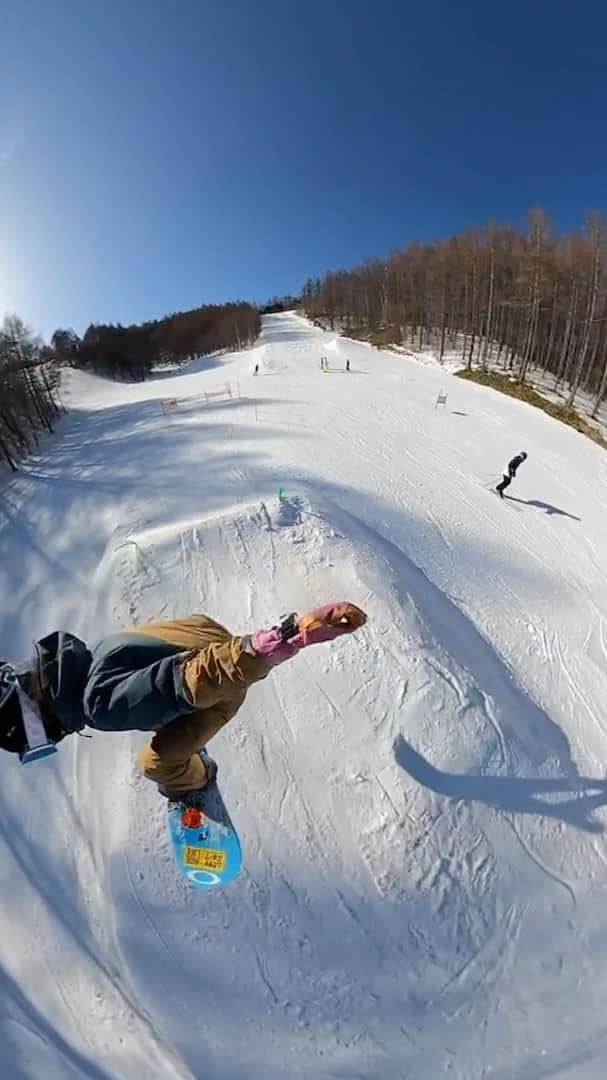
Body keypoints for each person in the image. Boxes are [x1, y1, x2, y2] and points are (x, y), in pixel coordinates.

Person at [0, 602, 367, 805]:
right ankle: (170, 707)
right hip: (198, 632)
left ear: (37, 723)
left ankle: (192, 782)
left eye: (38, 746)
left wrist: (280, 642)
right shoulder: (77, 664)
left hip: (224, 668)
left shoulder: (99, 707)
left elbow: (197, 677)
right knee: (154, 696)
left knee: (155, 762)